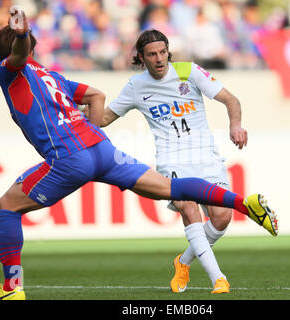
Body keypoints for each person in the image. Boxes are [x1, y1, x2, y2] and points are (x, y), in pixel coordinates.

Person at [0, 8, 278, 300]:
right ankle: (243, 204)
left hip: (70, 157)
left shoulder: (9, 71)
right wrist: (91, 135)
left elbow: (16, 57)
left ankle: (11, 288)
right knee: (171, 189)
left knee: (8, 206)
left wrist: (20, 33)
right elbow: (96, 95)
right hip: (103, 150)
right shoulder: (54, 77)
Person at [101, 29, 278, 294]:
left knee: (221, 218)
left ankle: (182, 262)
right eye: (152, 54)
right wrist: (78, 109)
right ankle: (219, 278)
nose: (159, 58)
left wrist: (236, 124)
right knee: (188, 207)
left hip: (206, 156)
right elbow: (104, 119)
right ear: (142, 57)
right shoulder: (136, 86)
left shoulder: (188, 71)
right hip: (172, 160)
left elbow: (231, 99)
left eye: (163, 52)